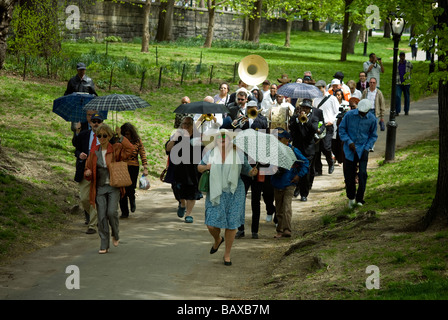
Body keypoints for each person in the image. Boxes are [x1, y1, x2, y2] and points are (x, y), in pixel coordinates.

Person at [198, 129, 258, 265]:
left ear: (230, 140)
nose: (222, 138)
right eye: (220, 137)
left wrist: (253, 172)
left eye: (225, 137)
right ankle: (218, 239)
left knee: (231, 225)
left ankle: (227, 254)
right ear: (216, 141)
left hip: (235, 192)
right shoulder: (210, 154)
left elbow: (248, 171)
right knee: (211, 224)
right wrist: (207, 166)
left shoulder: (239, 155)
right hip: (216, 191)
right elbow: (199, 168)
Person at [84, 123, 134, 254]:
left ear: (110, 135)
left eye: (104, 135)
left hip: (113, 186)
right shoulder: (94, 152)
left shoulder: (116, 148)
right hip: (99, 188)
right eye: (99, 135)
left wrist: (121, 136)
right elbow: (88, 167)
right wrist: (87, 173)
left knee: (111, 212)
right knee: (101, 216)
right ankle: (104, 244)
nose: (101, 138)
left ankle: (115, 234)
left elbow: (130, 150)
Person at [338, 99, 378, 208]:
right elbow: (341, 129)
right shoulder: (349, 115)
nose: (362, 114)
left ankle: (360, 199)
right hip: (349, 150)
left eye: (364, 112)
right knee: (349, 175)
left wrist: (367, 147)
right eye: (360, 112)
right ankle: (351, 197)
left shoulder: (372, 119)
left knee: (362, 174)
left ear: (368, 111)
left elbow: (373, 135)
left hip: (363, 149)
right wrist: (349, 142)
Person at [270, 128, 309, 238]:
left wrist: (298, 175)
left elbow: (305, 162)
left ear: (286, 140)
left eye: (279, 138)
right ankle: (280, 230)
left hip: (289, 183)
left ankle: (287, 229)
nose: (277, 140)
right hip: (277, 183)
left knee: (286, 207)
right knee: (278, 209)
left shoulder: (293, 150)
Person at [166, 116, 203, 223]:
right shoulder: (177, 136)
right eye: (184, 124)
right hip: (179, 169)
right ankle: (182, 203)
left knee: (192, 192)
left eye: (189, 124)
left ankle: (188, 214)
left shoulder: (198, 137)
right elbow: (168, 148)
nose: (186, 126)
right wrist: (174, 138)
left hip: (193, 170)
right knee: (178, 190)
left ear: (193, 125)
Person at [74, 112, 103, 234]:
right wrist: (79, 154)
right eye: (94, 121)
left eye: (98, 121)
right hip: (85, 171)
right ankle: (94, 215)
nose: (96, 123)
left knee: (95, 198)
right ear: (90, 123)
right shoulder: (84, 134)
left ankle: (92, 225)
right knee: (85, 198)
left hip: (100, 171)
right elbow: (76, 147)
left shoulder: (105, 136)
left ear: (102, 123)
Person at [289, 100, 319, 201]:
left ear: (310, 109)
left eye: (307, 108)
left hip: (308, 149)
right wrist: (298, 120)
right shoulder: (294, 118)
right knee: (297, 170)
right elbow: (291, 128)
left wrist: (306, 121)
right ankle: (297, 189)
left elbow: (314, 129)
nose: (304, 110)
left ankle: (304, 194)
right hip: (297, 149)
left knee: (306, 172)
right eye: (303, 108)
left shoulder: (314, 118)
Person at [119, 122, 148, 218]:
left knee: (130, 188)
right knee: (122, 190)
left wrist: (145, 168)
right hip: (122, 166)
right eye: (125, 134)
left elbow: (142, 153)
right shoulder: (120, 141)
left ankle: (132, 199)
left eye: (128, 133)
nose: (127, 136)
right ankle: (124, 212)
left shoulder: (137, 141)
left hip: (133, 166)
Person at [313, 80, 339, 176]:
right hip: (319, 126)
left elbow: (337, 112)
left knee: (326, 146)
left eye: (320, 88)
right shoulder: (316, 100)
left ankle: (330, 162)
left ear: (324, 87)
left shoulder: (332, 99)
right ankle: (318, 169)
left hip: (328, 125)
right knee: (317, 149)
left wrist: (331, 120)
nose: (319, 90)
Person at [361, 77, 386, 142]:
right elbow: (362, 101)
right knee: (366, 127)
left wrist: (382, 116)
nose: (372, 84)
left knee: (373, 128)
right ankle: (366, 141)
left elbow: (382, 104)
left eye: (373, 83)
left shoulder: (379, 92)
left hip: (374, 112)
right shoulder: (365, 91)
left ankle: (372, 143)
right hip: (366, 111)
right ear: (369, 83)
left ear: (376, 84)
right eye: (371, 82)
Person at [396, 51, 413, 116]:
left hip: (406, 83)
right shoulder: (397, 64)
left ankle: (406, 110)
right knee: (397, 96)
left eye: (403, 56)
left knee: (407, 97)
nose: (402, 57)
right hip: (398, 82)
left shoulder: (409, 64)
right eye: (401, 56)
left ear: (405, 56)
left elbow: (411, 70)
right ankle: (397, 111)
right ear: (399, 56)